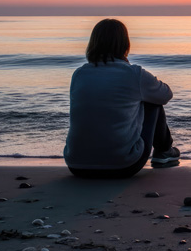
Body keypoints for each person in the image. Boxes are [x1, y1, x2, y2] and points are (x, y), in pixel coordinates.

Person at [64, 18, 180, 178]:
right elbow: (166, 94)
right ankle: (164, 152)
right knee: (154, 103)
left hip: (76, 165)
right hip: (123, 165)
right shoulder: (134, 74)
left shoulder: (79, 74)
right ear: (125, 44)